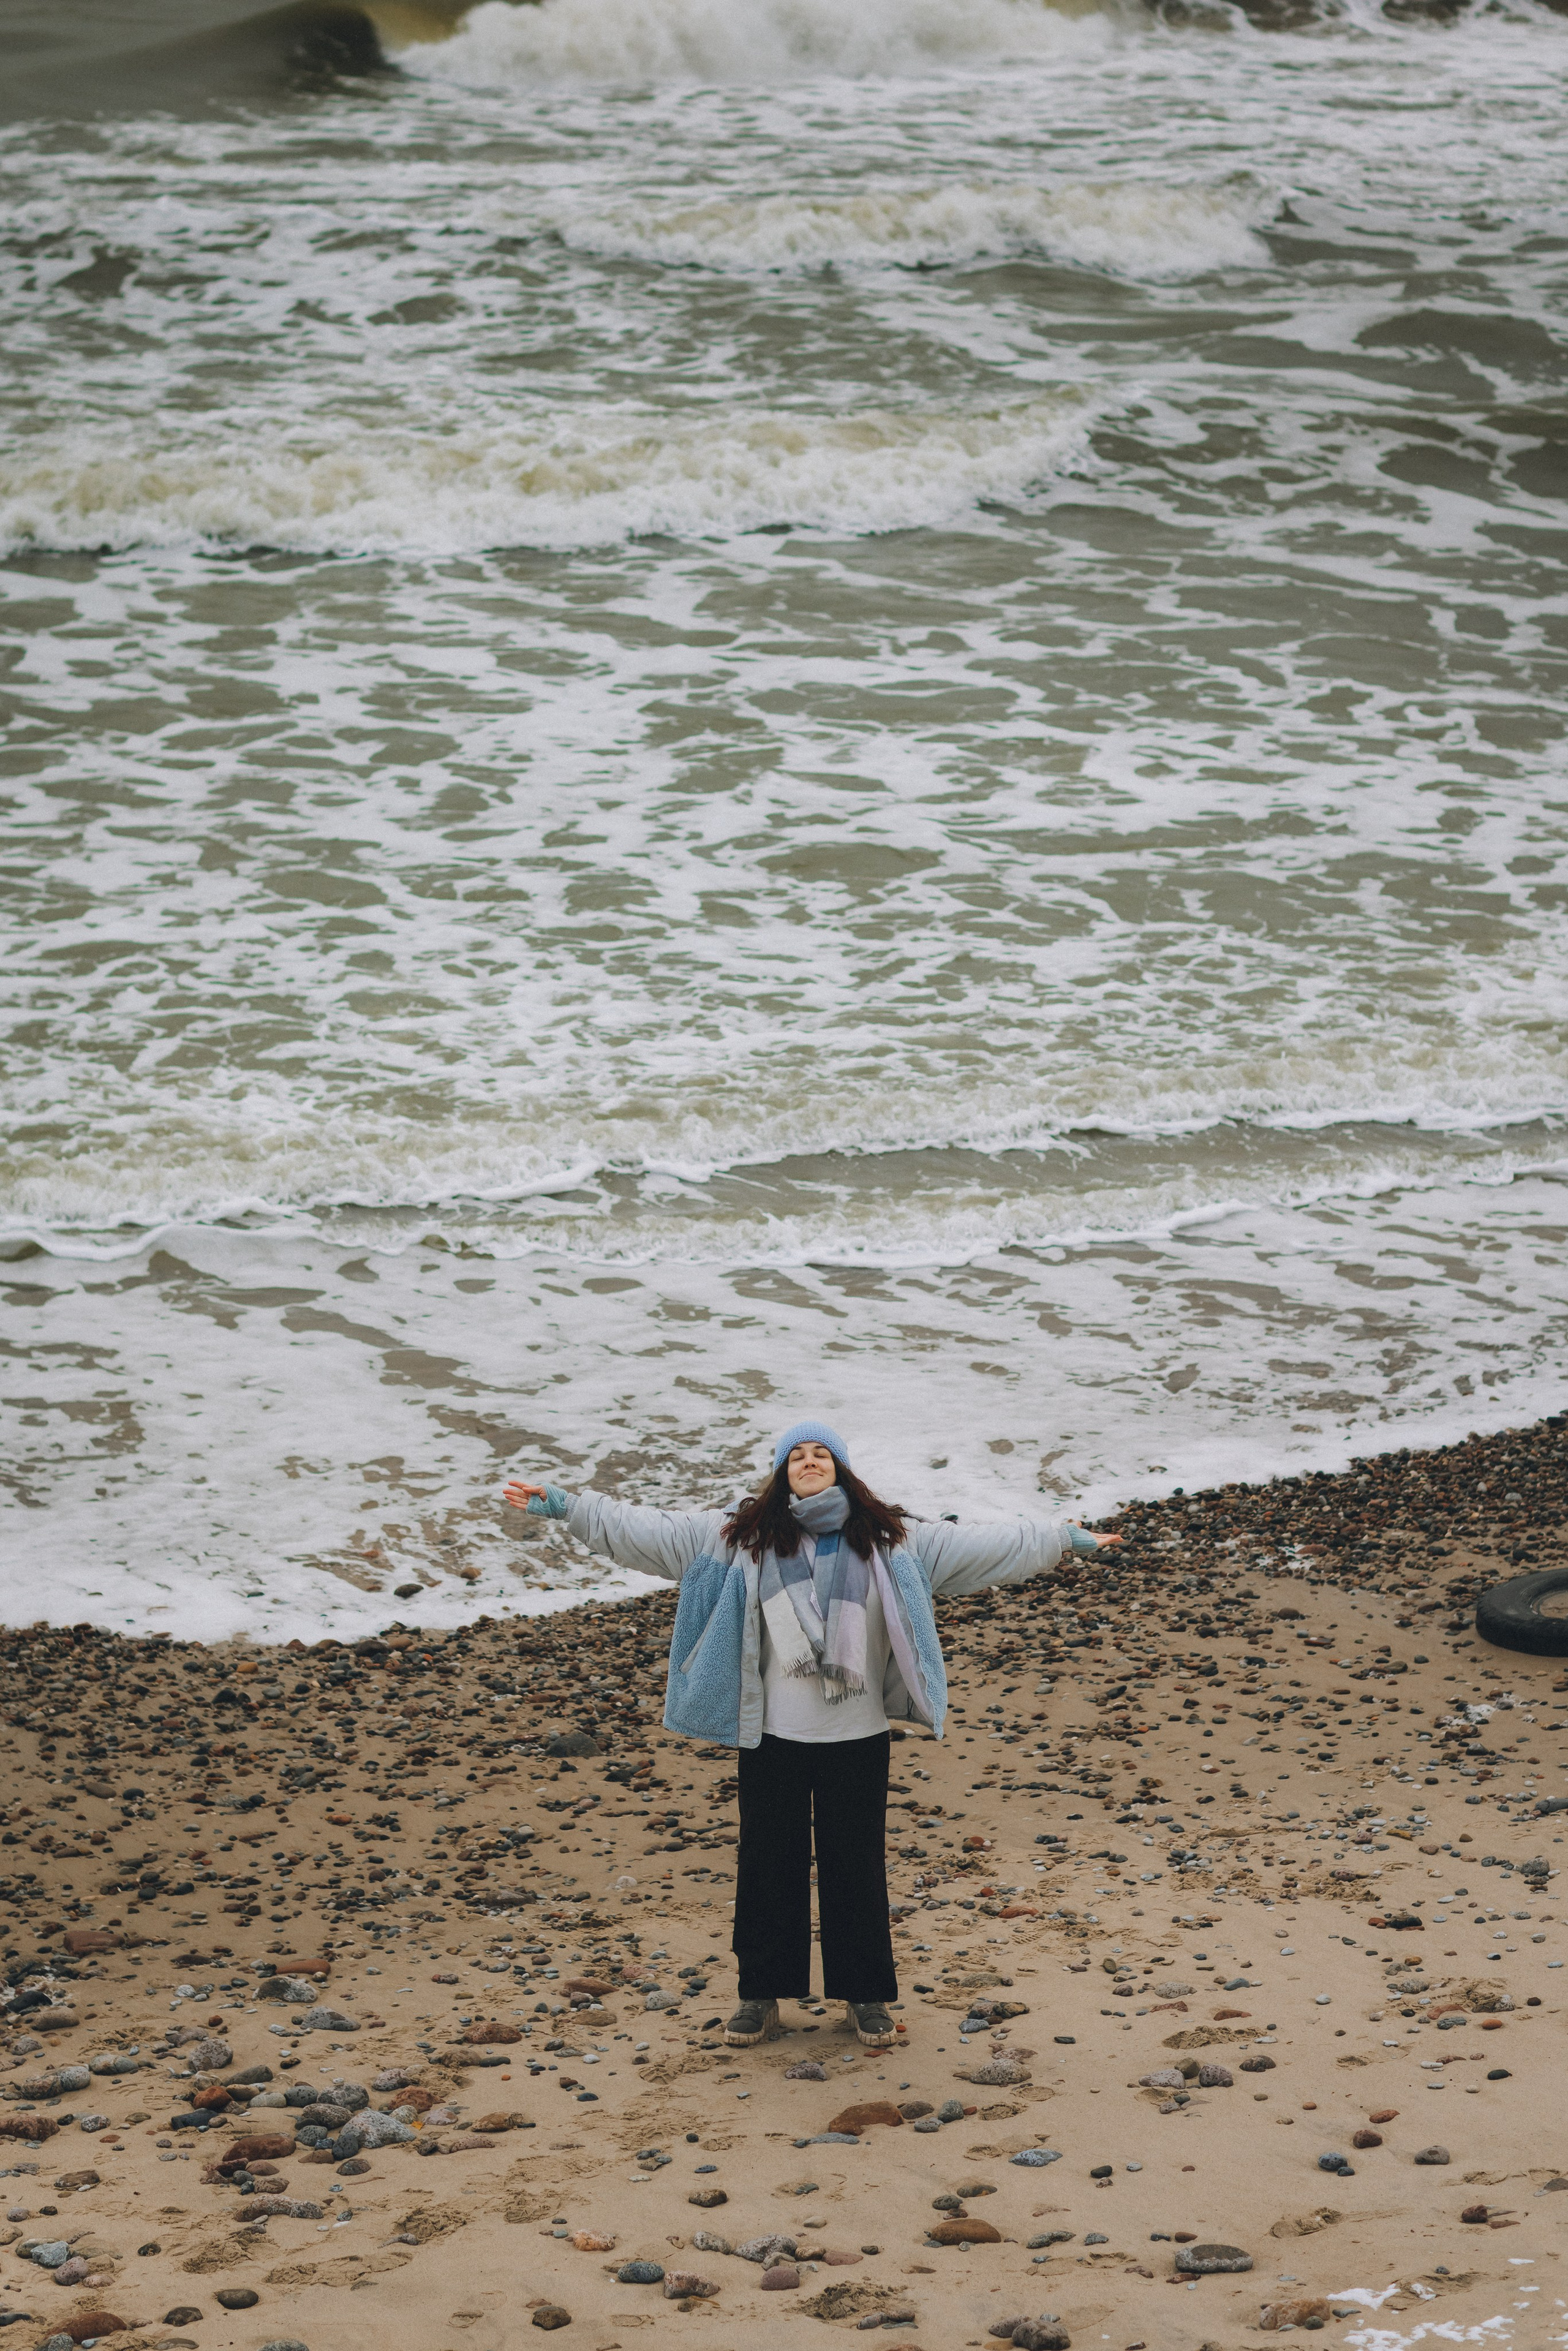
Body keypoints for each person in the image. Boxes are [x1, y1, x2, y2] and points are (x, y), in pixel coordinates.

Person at [503, 1421, 1121, 2051]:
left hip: (857, 1736)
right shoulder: (736, 1537)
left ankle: (866, 1999)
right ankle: (759, 1999)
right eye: (795, 1455)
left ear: (841, 1469)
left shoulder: (890, 1540)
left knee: (856, 1870)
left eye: (820, 1453)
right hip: (771, 1734)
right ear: (780, 1473)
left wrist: (1060, 1537)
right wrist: (566, 1505)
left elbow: (988, 1547)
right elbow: (642, 1528)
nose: (808, 1460)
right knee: (768, 1868)